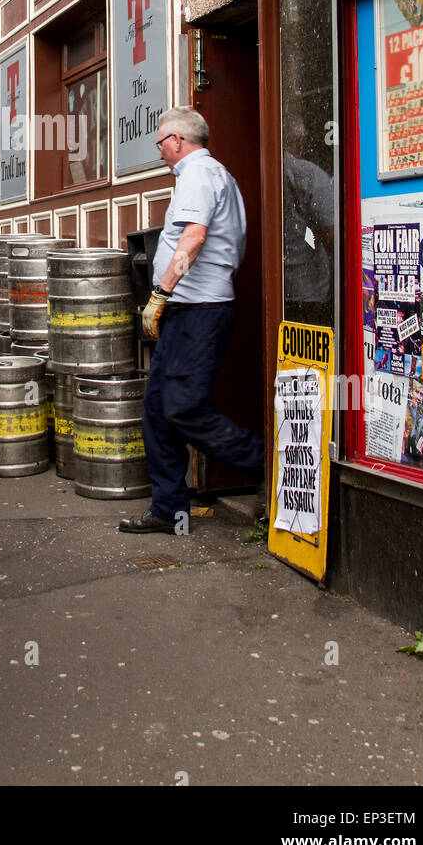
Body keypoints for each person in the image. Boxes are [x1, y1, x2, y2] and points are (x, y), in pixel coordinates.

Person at [119, 107, 264, 533]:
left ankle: (262, 462)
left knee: (181, 407)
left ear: (178, 140)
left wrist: (160, 293)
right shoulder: (213, 176)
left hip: (198, 310)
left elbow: (194, 237)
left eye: (161, 141)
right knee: (158, 412)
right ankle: (170, 512)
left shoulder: (199, 174)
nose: (160, 150)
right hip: (191, 309)